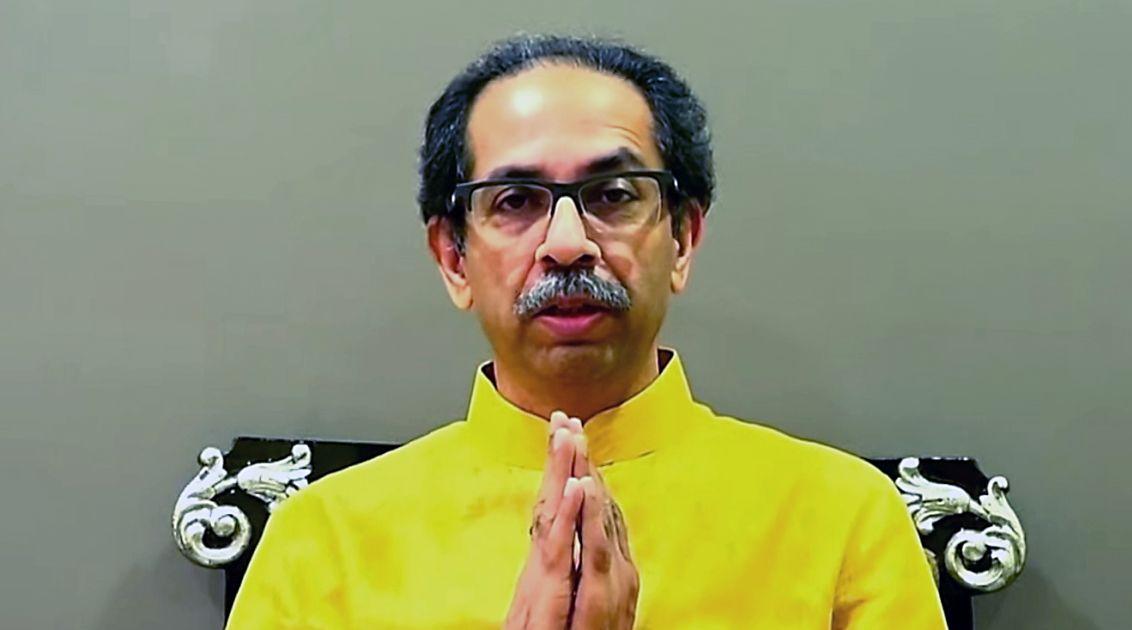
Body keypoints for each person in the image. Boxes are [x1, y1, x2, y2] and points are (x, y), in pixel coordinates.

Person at [226, 34, 946, 629]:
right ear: (453, 258)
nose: (567, 242)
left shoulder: (841, 518)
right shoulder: (320, 543)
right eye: (515, 200)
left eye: (612, 195)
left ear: (683, 239)